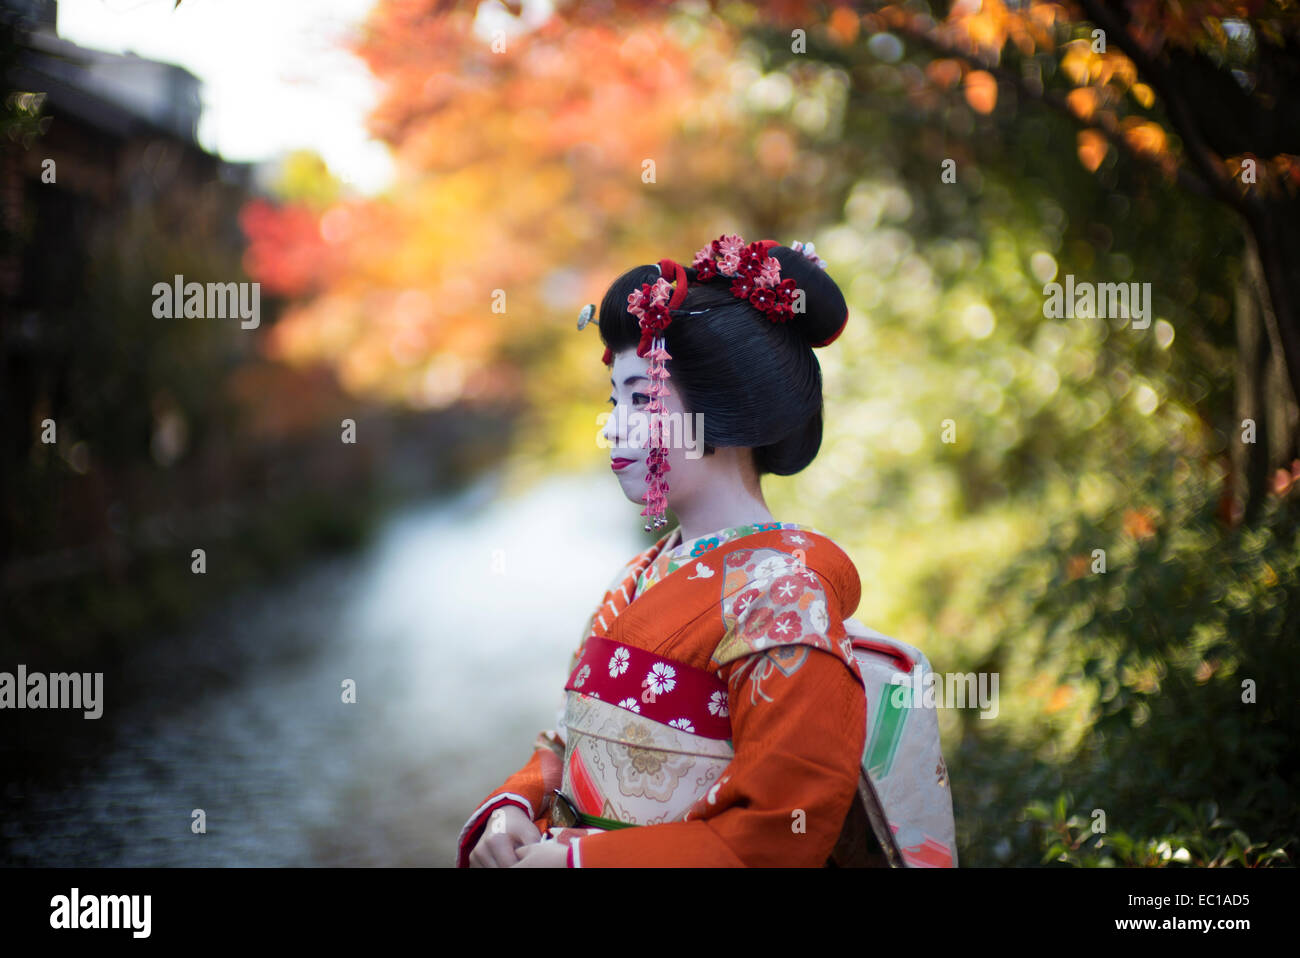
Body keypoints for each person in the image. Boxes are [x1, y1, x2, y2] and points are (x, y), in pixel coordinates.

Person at [456, 234, 956, 867]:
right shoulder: (638, 575)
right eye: (614, 399)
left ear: (723, 410)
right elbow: (569, 736)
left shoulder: (785, 598)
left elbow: (781, 830)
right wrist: (515, 805)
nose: (610, 425)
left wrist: (586, 863)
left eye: (642, 398)